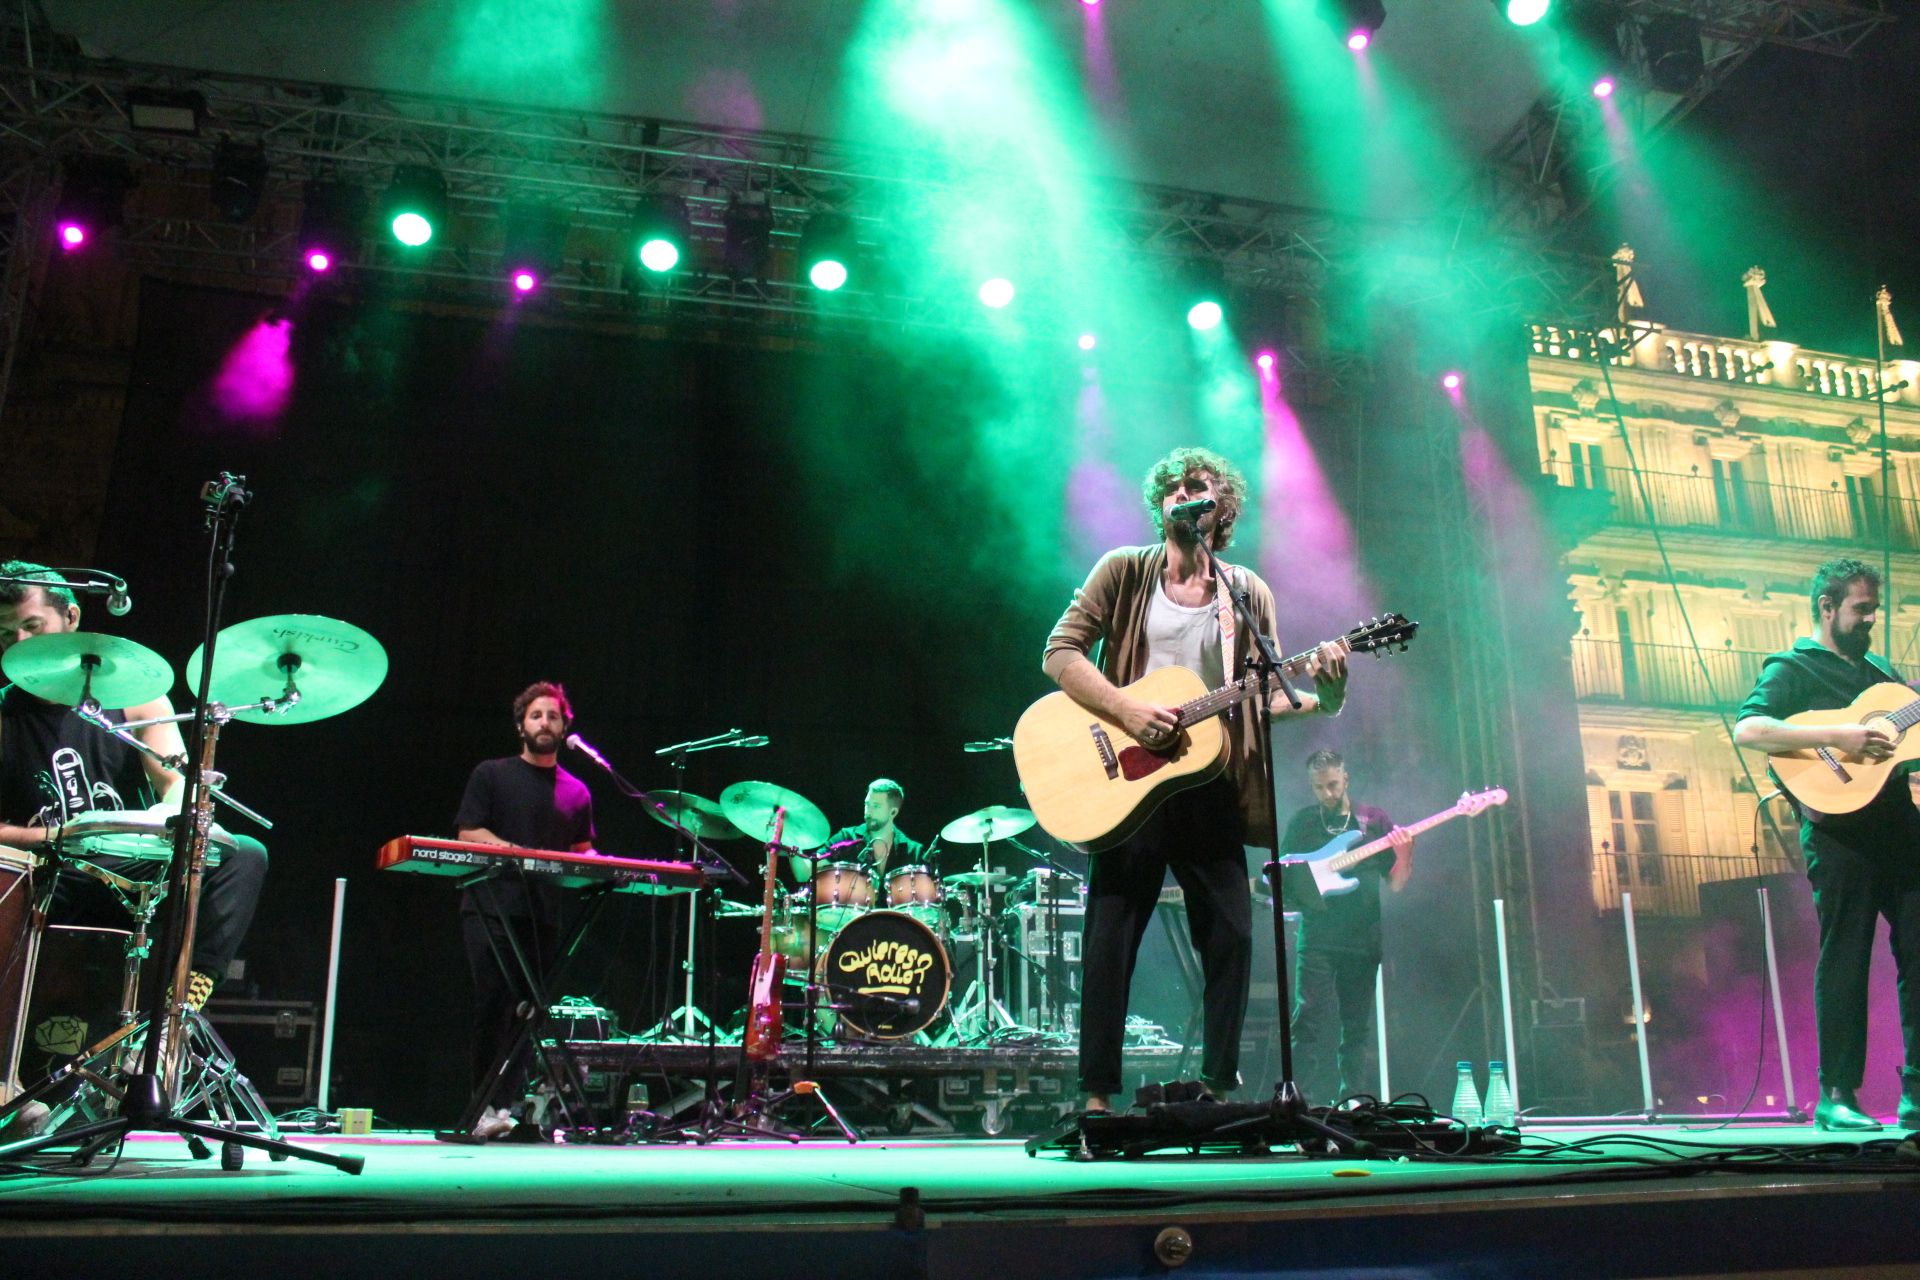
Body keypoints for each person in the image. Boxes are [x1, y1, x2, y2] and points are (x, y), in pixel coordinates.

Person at [1043, 446, 1347, 1112]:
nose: (1186, 493)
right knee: (1111, 936)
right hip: (1127, 783)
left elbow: (1260, 698)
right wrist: (1127, 708)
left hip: (1209, 784)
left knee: (1234, 934)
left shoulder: (1246, 593)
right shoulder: (1122, 572)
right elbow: (1059, 653)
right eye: (1175, 486)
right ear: (1160, 505)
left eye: (1199, 486)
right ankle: (1096, 1095)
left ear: (1223, 508)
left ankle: (1215, 1084)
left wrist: (1325, 700)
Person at [0, 562, 268, 1041]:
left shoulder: (137, 698)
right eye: (5, 632)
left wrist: (178, 815)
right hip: (39, 875)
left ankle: (174, 1013)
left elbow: (174, 781)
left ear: (72, 619)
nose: (18, 643)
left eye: (32, 627)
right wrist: (50, 836)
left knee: (244, 854)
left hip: (126, 867)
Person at [1734, 557, 1920, 1132]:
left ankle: (1916, 1093)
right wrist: (1838, 734)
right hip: (1839, 835)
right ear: (1827, 607)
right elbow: (1751, 728)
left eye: (1873, 609)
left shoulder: (1880, 675)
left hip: (1898, 827)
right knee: (1847, 956)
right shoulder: (1793, 667)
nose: (1870, 620)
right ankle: (1836, 1095)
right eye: (1861, 609)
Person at [453, 681, 596, 1138]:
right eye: (536, 715)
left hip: (544, 913)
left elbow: (582, 850)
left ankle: (503, 1107)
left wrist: (615, 868)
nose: (545, 723)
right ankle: (480, 1108)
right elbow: (468, 833)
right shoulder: (492, 774)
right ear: (521, 725)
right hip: (491, 906)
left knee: (529, 1011)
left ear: (564, 726)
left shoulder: (577, 791)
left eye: (553, 716)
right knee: (492, 1004)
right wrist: (514, 851)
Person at [1280, 749, 1413, 1106]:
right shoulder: (1303, 823)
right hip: (1318, 937)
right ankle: (1298, 1099)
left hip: (1362, 938)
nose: (1327, 793)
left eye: (1333, 785)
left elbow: (1397, 884)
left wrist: (1405, 853)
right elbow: (1286, 881)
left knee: (1355, 1026)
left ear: (1346, 779)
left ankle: (1352, 1100)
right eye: (1319, 787)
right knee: (1306, 1019)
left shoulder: (1373, 821)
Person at [815, 778, 926, 882]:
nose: (868, 811)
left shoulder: (913, 852)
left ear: (893, 812)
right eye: (867, 805)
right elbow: (808, 870)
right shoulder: (847, 837)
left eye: (876, 806)